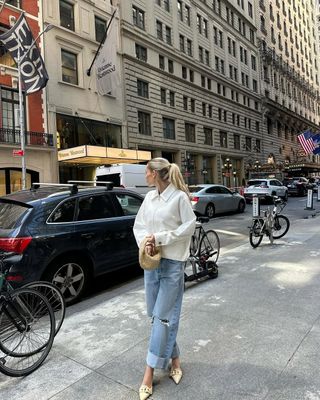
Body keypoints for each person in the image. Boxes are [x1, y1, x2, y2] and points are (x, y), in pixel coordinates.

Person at [133, 157, 196, 400]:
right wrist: (146, 242)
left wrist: (160, 238)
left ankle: (148, 372)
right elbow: (138, 225)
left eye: (146, 171)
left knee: (161, 317)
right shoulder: (149, 198)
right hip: (152, 262)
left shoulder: (179, 198)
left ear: (154, 173)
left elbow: (189, 226)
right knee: (156, 314)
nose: (144, 175)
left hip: (172, 264)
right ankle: (176, 359)